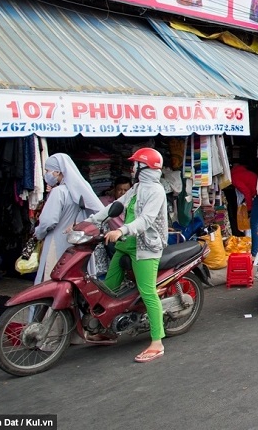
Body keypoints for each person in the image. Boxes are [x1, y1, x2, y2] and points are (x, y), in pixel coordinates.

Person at [89, 147, 168, 363]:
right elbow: (116, 206)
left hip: (146, 247)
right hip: (126, 244)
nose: (133, 167)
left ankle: (157, 342)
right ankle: (109, 330)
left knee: (148, 292)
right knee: (109, 288)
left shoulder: (156, 191)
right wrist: (90, 222)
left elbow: (146, 220)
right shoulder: (136, 188)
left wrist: (121, 230)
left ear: (144, 167)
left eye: (136, 164)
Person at [34, 154, 104, 285]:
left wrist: (38, 233)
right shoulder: (82, 188)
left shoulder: (58, 192)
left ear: (57, 172)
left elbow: (48, 221)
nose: (46, 174)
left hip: (56, 241)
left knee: (52, 280)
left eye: (47, 171)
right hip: (78, 243)